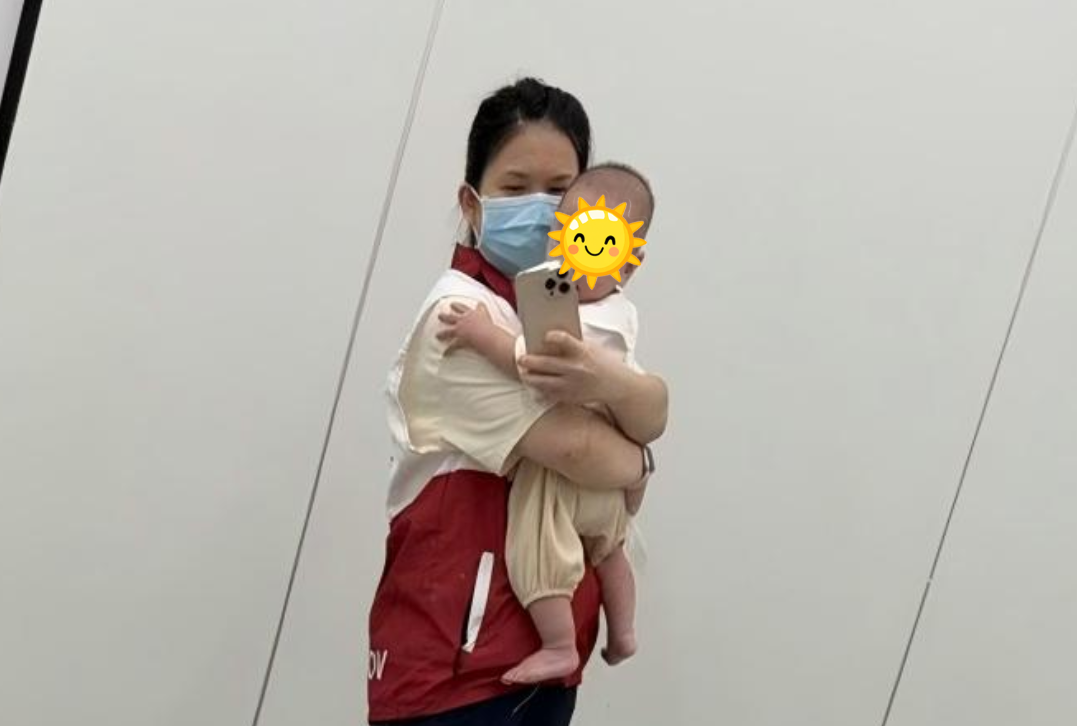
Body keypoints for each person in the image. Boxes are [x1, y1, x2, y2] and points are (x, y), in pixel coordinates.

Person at [367, 78, 668, 726]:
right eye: (514, 188)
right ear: (472, 203)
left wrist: (628, 413)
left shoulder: (578, 310)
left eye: (560, 191)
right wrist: (640, 461)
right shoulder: (459, 316)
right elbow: (578, 447)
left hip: (546, 660)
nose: (541, 211)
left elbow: (653, 406)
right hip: (457, 666)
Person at [436, 163, 657, 686]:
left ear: (628, 263)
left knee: (537, 554)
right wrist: (639, 465)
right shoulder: (622, 314)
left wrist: (481, 332)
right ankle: (624, 630)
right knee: (611, 551)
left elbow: (528, 364)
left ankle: (557, 645)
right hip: (609, 485)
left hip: (563, 481)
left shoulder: (582, 323)